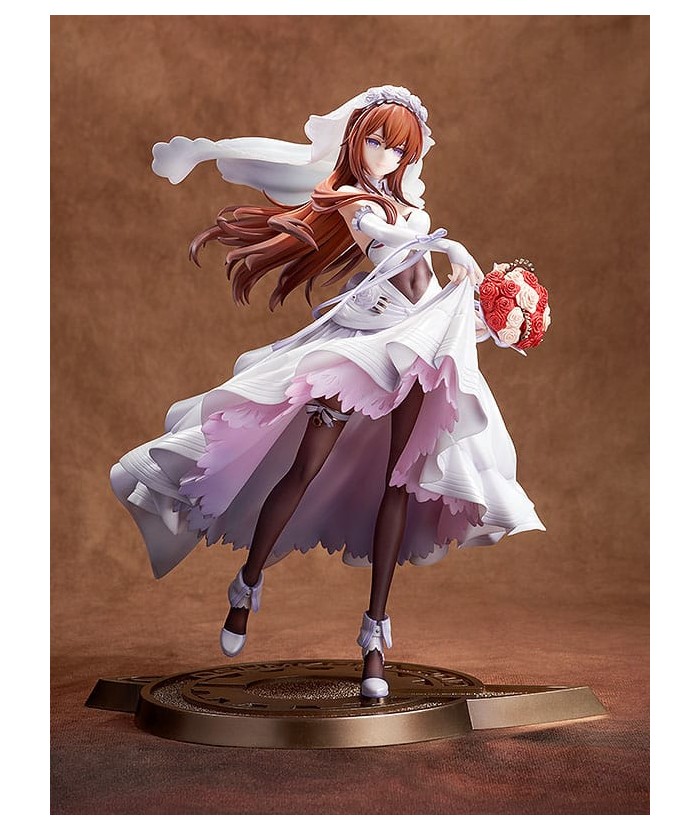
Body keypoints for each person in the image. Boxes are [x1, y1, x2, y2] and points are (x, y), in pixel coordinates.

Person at [110, 85, 545, 700]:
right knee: (304, 466)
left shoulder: (407, 205)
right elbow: (387, 240)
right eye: (377, 142)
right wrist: (450, 245)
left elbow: (426, 289)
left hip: (416, 343)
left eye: (400, 150)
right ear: (355, 139)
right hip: (363, 347)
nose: (386, 157)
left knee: (401, 481)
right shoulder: (352, 202)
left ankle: (375, 636)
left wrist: (488, 314)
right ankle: (246, 585)